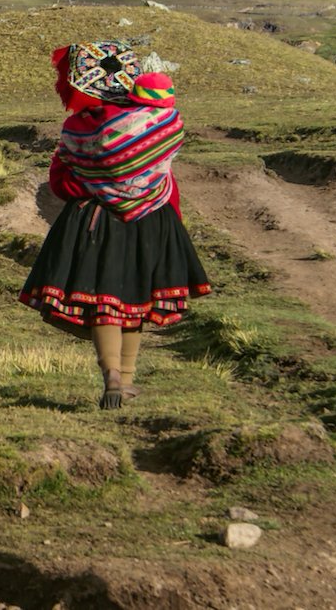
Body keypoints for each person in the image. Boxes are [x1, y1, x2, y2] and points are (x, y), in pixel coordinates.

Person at [18, 40, 210, 409]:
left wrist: (92, 183)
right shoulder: (157, 121)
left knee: (106, 302)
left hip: (95, 221)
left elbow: (61, 183)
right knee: (135, 299)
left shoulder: (80, 127)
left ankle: (112, 378)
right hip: (153, 219)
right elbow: (165, 174)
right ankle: (129, 378)